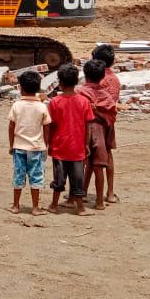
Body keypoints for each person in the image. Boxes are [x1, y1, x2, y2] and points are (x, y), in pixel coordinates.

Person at [47, 64, 95, 216]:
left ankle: (54, 205)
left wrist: (49, 143)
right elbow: (88, 126)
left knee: (58, 180)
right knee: (77, 179)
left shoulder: (54, 102)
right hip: (77, 148)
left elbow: (50, 125)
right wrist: (86, 144)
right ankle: (80, 207)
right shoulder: (83, 102)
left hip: (59, 147)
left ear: (60, 82)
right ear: (76, 82)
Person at [6, 70, 52, 216]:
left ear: (20, 88)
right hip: (37, 148)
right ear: (38, 88)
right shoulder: (42, 107)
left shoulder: (16, 106)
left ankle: (15, 205)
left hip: (19, 147)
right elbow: (46, 127)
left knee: (18, 176)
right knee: (36, 177)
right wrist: (46, 145)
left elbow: (11, 126)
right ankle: (35, 207)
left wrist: (11, 144)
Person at [77, 60, 116, 211]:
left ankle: (78, 195)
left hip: (83, 133)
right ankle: (99, 201)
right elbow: (111, 117)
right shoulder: (106, 97)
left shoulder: (80, 93)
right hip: (101, 133)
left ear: (85, 75)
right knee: (99, 166)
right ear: (102, 77)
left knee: (79, 165)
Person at [89, 45, 120, 203]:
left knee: (90, 157)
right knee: (108, 155)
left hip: (94, 122)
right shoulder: (114, 79)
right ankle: (110, 192)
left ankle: (81, 191)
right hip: (108, 120)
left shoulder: (95, 78)